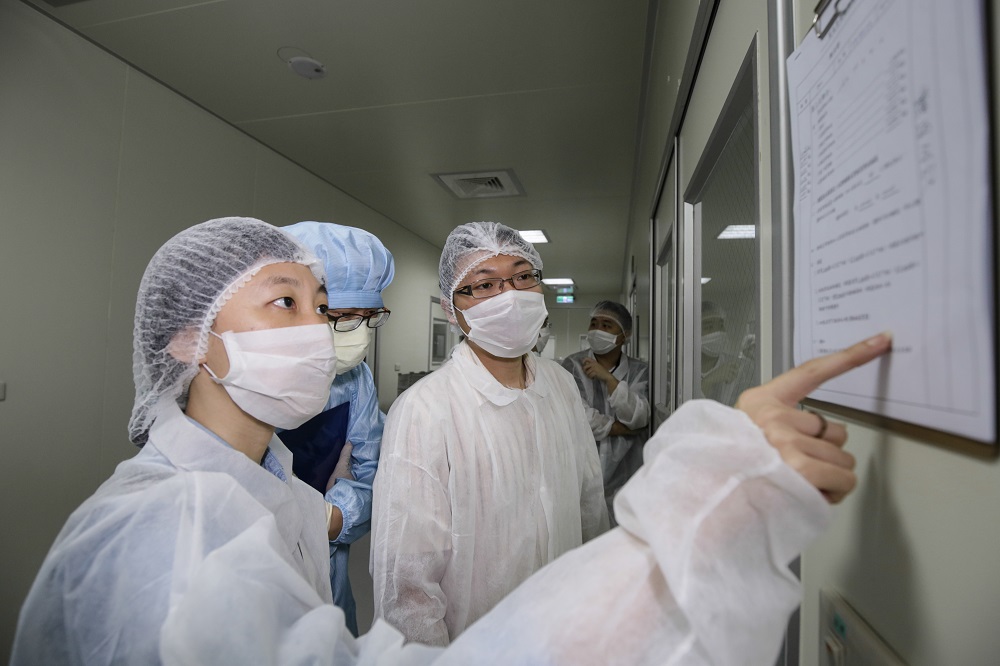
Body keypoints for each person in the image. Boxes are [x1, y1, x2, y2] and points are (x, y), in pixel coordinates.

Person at [10, 215, 893, 665]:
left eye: (328, 308)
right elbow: (406, 597)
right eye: (289, 303)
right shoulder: (165, 533)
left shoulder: (264, 485)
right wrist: (703, 508)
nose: (321, 331)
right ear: (186, 339)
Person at [370, 221, 610, 646]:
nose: (510, 295)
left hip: (566, 632)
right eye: (484, 285)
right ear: (452, 309)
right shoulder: (425, 410)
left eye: (522, 276)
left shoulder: (560, 385)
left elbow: (589, 504)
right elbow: (407, 590)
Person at [280, 220, 394, 636]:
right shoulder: (254, 377)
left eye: (369, 318)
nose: (358, 336)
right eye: (343, 317)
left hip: (329, 573)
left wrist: (331, 518)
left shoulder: (355, 378)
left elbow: (373, 473)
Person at [561, 300, 650, 525]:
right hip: (581, 474)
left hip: (627, 476)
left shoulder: (640, 372)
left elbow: (639, 417)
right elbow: (576, 416)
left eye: (606, 325)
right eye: (594, 323)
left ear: (624, 335)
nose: (597, 329)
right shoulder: (573, 366)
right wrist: (619, 428)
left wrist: (609, 379)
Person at [700, 300, 748, 405]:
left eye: (721, 326)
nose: (718, 332)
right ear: (692, 333)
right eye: (709, 327)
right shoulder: (676, 372)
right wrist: (709, 381)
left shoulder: (739, 368)